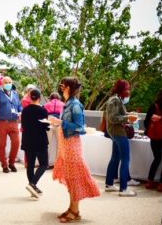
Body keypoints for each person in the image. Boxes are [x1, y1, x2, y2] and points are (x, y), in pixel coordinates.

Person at [49, 77, 100, 223]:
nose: (61, 88)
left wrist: (61, 122)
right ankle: (72, 208)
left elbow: (80, 128)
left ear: (69, 88)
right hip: (66, 146)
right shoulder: (69, 103)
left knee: (74, 178)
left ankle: (75, 210)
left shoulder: (76, 105)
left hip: (72, 146)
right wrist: (59, 123)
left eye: (63, 86)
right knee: (70, 178)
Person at [104, 79, 138, 197]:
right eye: (127, 89)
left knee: (115, 157)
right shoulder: (115, 100)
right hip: (118, 132)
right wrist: (128, 118)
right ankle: (123, 189)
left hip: (114, 132)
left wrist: (128, 115)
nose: (128, 92)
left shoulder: (115, 99)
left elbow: (116, 116)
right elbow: (114, 118)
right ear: (122, 90)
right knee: (125, 159)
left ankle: (109, 184)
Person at [21, 89, 49, 198]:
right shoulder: (43, 111)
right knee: (44, 164)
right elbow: (45, 126)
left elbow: (23, 125)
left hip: (28, 139)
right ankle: (33, 184)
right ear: (39, 98)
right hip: (40, 140)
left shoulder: (25, 110)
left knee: (30, 165)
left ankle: (32, 187)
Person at [0, 76, 22, 173]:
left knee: (16, 143)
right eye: (6, 82)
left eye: (10, 82)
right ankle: (4, 165)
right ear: (2, 83)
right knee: (2, 144)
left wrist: (21, 111)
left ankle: (11, 163)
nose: (8, 84)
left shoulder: (15, 94)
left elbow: (19, 106)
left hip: (14, 122)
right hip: (2, 122)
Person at [43, 92, 64, 168]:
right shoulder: (63, 104)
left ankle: (46, 163)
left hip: (49, 120)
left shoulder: (47, 104)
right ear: (59, 97)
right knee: (59, 143)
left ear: (50, 97)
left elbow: (43, 113)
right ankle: (57, 164)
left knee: (47, 143)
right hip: (59, 121)